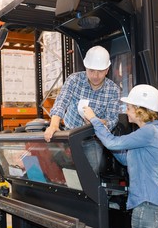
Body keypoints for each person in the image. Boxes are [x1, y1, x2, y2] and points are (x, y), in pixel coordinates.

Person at [83, 84, 158, 228]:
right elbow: (125, 158)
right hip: (145, 205)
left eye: (128, 107)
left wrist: (95, 120)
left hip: (148, 206)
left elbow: (111, 143)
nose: (126, 111)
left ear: (139, 110)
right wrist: (107, 136)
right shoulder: (146, 133)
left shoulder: (149, 132)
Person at [43, 45, 120, 174]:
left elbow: (112, 119)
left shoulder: (113, 90)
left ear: (107, 70)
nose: (95, 75)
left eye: (100, 71)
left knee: (90, 172)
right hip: (68, 132)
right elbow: (61, 102)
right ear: (85, 67)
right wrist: (54, 125)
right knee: (61, 170)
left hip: (92, 138)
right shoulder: (74, 80)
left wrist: (96, 121)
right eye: (91, 70)